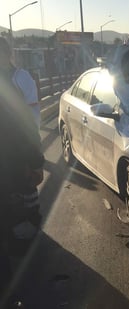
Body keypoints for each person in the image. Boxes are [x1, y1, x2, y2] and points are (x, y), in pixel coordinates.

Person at [0, 38, 44, 296]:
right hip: (15, 163)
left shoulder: (17, 79)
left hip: (13, 162)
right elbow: (28, 124)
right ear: (10, 53)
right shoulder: (18, 80)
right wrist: (35, 160)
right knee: (21, 213)